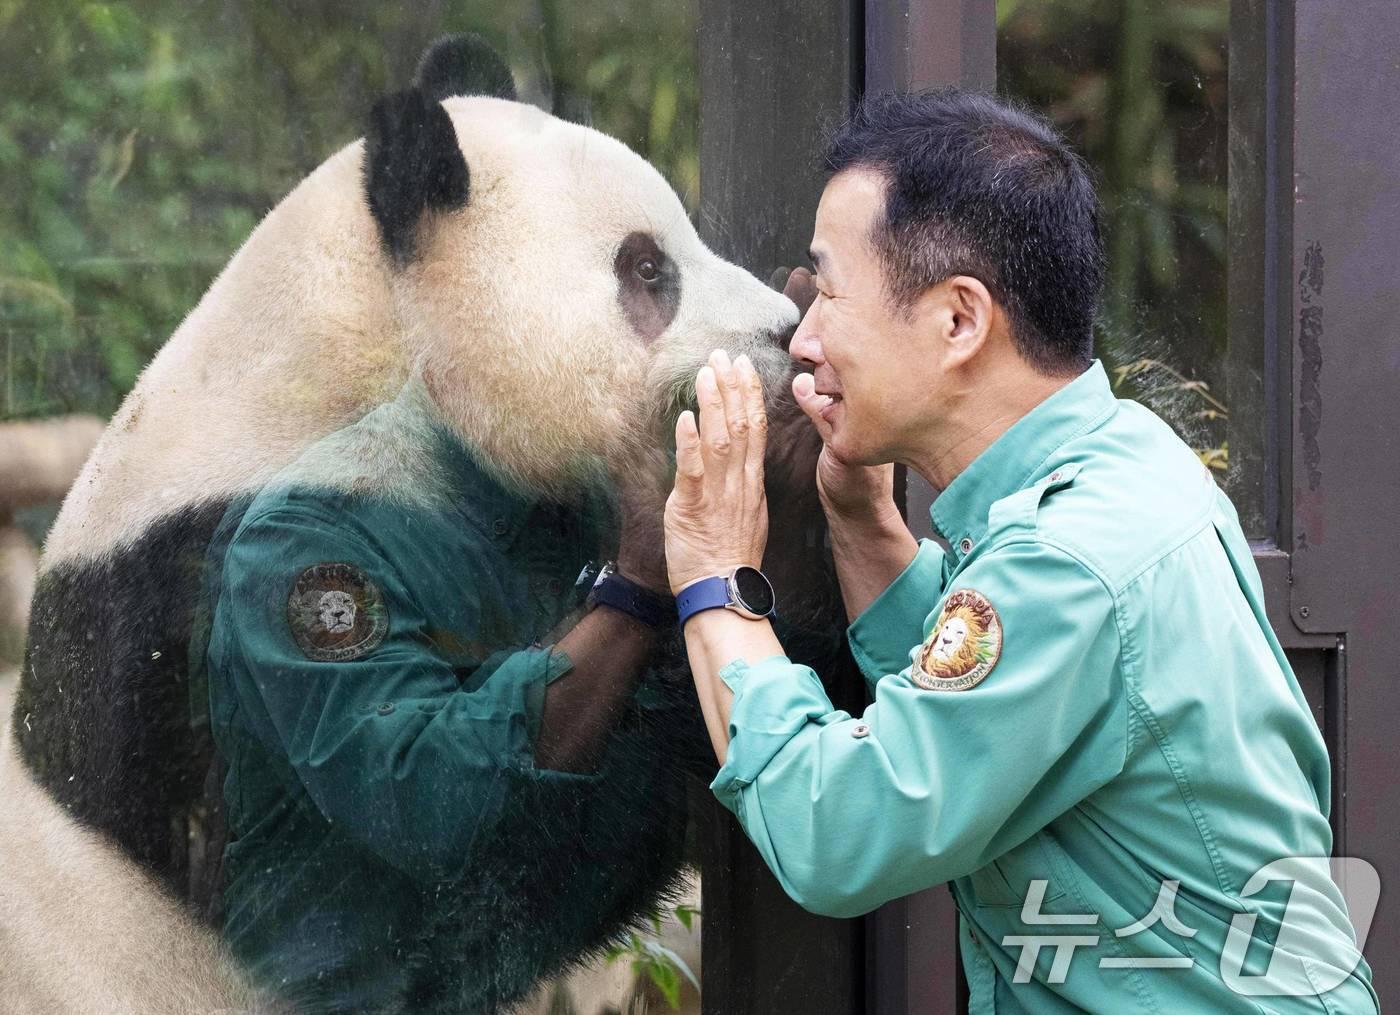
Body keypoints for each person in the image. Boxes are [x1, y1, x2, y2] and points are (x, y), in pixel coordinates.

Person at [662, 90, 1378, 1012]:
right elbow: (1001, 705)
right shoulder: (1126, 460)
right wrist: (862, 519)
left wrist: (716, 576)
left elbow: (835, 829)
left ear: (959, 320)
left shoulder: (1070, 560)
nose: (803, 337)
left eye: (829, 290)